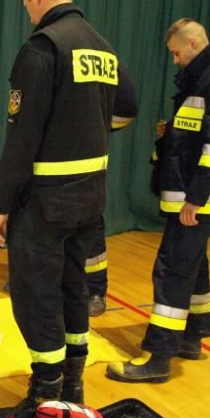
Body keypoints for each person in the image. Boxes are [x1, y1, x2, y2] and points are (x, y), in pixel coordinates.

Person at [0, 0, 136, 418]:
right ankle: (73, 386)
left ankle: (44, 396)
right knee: (74, 288)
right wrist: (83, 128)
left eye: (25, 1)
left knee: (35, 295)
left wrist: (1, 204)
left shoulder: (42, 48)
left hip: (45, 200)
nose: (26, 10)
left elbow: (22, 135)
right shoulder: (103, 48)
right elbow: (127, 109)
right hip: (90, 197)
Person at [106, 18, 210, 383]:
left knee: (172, 270)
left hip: (193, 199)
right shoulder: (205, 77)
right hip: (186, 193)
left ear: (193, 43)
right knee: (193, 264)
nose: (174, 61)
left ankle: (159, 357)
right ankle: (193, 336)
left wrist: (195, 199)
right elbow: (199, 132)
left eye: (176, 53)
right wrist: (170, 133)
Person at [85, 80, 138, 317]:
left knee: (92, 236)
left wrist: (97, 126)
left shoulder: (104, 62)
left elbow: (127, 110)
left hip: (88, 179)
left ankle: (95, 292)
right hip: (48, 177)